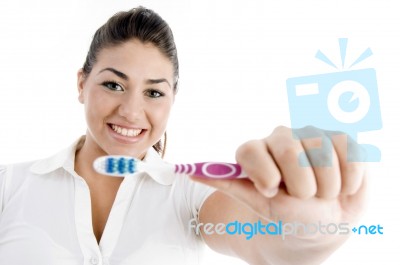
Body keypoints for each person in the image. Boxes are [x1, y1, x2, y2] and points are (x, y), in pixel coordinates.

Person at [0, 6, 367, 265]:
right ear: (82, 84)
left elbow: (267, 248)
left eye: (154, 92)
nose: (131, 110)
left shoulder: (192, 196)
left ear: (173, 99)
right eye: (113, 84)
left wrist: (310, 231)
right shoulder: (9, 186)